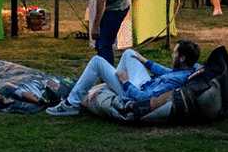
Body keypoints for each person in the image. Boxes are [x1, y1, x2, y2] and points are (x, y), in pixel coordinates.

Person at [47, 41, 202, 116]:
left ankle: (70, 104)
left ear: (181, 58)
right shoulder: (189, 69)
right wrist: (144, 61)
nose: (172, 55)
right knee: (129, 53)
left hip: (134, 92)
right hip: (144, 83)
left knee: (97, 62)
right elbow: (166, 72)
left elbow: (144, 98)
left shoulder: (176, 81)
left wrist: (125, 82)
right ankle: (110, 83)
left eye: (175, 53)